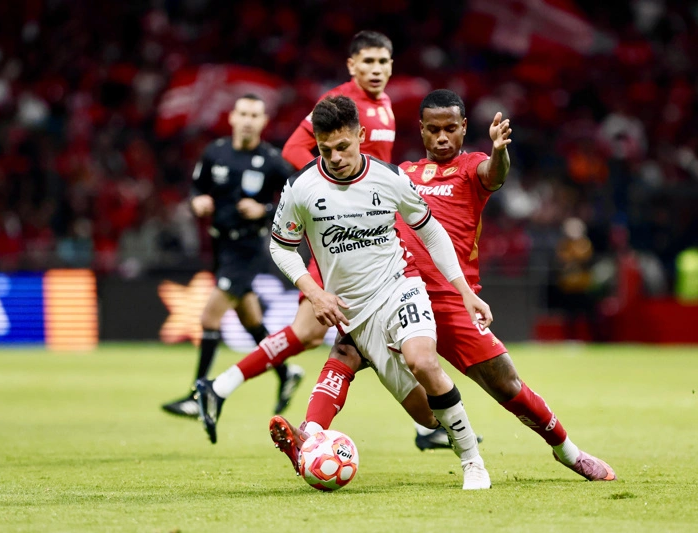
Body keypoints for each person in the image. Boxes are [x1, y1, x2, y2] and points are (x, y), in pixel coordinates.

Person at [253, 89, 614, 483]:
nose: (442, 138)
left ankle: (568, 452)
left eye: (450, 130)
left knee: (505, 383)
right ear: (421, 131)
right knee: (354, 357)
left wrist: (499, 152)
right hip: (391, 290)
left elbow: (495, 175)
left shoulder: (472, 166)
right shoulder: (401, 173)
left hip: (449, 298)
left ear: (462, 130)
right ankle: (311, 438)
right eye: (433, 130)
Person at [194, 31, 453, 449]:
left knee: (328, 338)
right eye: (366, 62)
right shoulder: (336, 108)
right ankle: (223, 387)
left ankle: (224, 388)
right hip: (340, 232)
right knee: (324, 334)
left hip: (375, 233)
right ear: (351, 65)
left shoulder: (384, 107)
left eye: (382, 62)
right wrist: (331, 190)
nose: (375, 70)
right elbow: (295, 150)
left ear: (391, 66)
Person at [235, 95, 491, 489]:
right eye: (325, 149)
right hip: (352, 309)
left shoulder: (388, 178)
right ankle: (309, 440)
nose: (335, 157)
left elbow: (431, 232)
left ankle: (473, 462)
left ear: (361, 136)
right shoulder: (301, 188)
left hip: (398, 287)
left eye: (343, 147)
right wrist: (314, 292)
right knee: (426, 416)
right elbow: (280, 247)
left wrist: (464, 292)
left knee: (423, 360)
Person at [161, 94, 304, 418]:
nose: (249, 119)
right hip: (221, 246)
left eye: (255, 114)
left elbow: (297, 196)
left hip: (248, 248)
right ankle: (286, 373)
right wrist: (198, 202)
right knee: (251, 320)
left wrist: (264, 209)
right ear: (232, 118)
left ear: (264, 121)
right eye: (243, 113)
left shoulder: (271, 160)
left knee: (210, 319)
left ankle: (197, 396)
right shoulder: (216, 152)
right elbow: (198, 188)